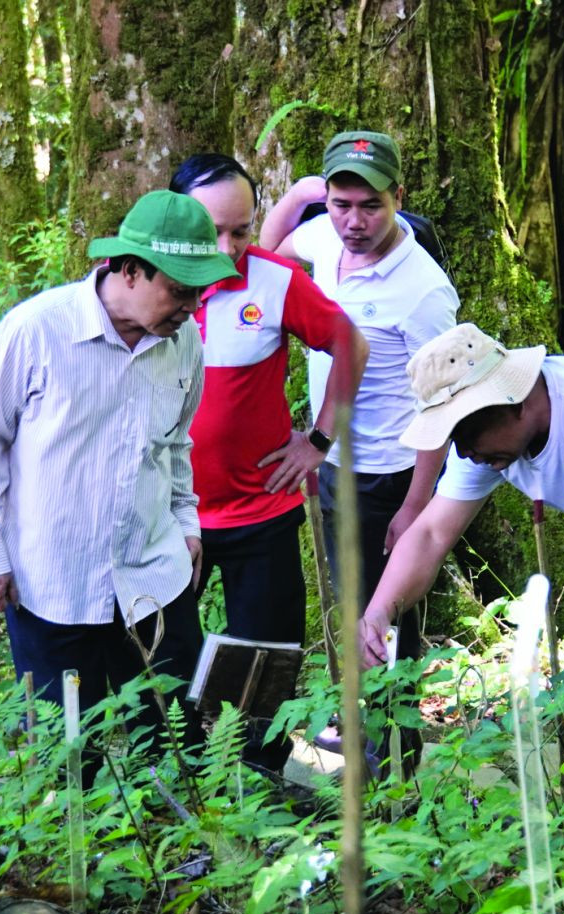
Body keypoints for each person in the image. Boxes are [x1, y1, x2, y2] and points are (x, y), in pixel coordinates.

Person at [0, 190, 240, 782]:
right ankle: (75, 867)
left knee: (172, 739)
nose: (191, 305)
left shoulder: (183, 343)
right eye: (179, 290)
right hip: (53, 580)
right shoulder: (34, 332)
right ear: (128, 270)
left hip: (153, 575)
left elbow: (176, 445)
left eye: (199, 291)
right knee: (65, 751)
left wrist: (187, 523)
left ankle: (180, 862)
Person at [356, 323, 564, 811]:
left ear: (512, 401)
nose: (464, 453)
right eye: (453, 440)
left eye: (466, 434)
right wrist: (378, 612)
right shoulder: (486, 445)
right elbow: (432, 533)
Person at [167, 153, 369, 774]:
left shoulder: (274, 280)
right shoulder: (145, 286)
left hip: (261, 507)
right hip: (173, 519)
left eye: (242, 230)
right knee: (170, 653)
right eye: (212, 231)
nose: (228, 247)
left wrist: (317, 440)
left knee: (267, 655)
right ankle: (189, 770)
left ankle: (259, 774)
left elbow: (348, 343)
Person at [260, 130, 460, 663]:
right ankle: (363, 720)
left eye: (371, 206)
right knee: (352, 600)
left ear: (399, 195)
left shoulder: (424, 292)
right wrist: (299, 196)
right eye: (340, 204)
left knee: (381, 611)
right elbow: (266, 258)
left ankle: (391, 738)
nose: (354, 222)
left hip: (388, 474)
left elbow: (440, 407)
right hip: (334, 462)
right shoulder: (325, 234)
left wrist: (416, 505)